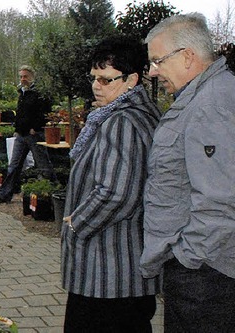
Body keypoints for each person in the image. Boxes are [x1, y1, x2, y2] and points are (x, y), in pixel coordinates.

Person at [140, 13, 235, 332]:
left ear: (187, 56)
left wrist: (186, 259)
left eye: (157, 60)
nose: (153, 71)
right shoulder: (203, 97)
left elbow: (220, 200)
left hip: (206, 278)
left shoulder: (210, 105)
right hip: (203, 274)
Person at [61, 36, 162, 332]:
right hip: (125, 274)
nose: (96, 86)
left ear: (131, 80)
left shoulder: (122, 122)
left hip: (107, 273)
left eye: (106, 80)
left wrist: (77, 223)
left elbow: (117, 194)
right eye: (94, 78)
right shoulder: (141, 114)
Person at [0, 66, 54, 203]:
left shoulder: (39, 93)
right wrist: (17, 128)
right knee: (14, 165)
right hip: (21, 134)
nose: (23, 79)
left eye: (25, 76)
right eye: (21, 77)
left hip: (34, 135)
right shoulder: (22, 93)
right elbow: (20, 113)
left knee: (43, 164)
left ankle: (52, 192)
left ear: (32, 77)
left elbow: (45, 113)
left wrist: (35, 128)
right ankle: (5, 194)